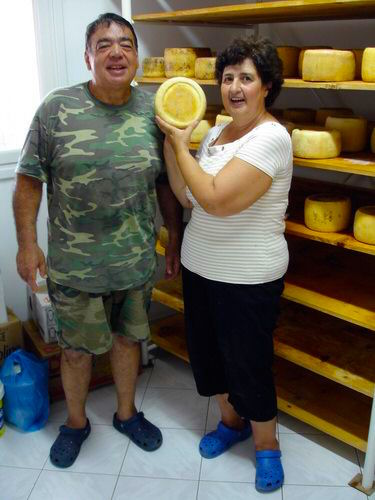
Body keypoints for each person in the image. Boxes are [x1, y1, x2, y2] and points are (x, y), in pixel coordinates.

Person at [13, 13, 182, 468]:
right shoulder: (56, 109)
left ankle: (127, 414)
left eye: (126, 44)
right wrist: (27, 245)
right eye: (104, 45)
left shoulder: (155, 112)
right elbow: (28, 181)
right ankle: (75, 423)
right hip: (74, 264)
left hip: (134, 258)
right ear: (88, 56)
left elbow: (166, 182)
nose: (116, 52)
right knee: (75, 350)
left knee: (129, 342)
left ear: (137, 57)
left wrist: (176, 238)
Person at [156, 36, 292, 493]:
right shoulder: (215, 133)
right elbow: (188, 194)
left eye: (247, 78)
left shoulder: (271, 138)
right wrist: (173, 144)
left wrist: (179, 147)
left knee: (248, 364)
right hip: (201, 267)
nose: (235, 87)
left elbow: (215, 200)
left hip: (248, 277)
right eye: (228, 78)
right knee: (210, 356)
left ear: (267, 86)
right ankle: (230, 423)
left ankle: (267, 447)